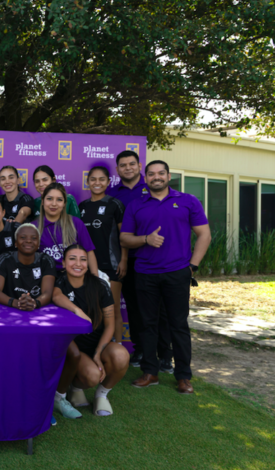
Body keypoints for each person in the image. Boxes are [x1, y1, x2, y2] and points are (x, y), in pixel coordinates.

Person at [121, 160, 211, 394]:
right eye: (151, 174)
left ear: (169, 176)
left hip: (177, 273)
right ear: (146, 177)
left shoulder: (188, 201)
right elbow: (125, 239)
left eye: (161, 173)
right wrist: (145, 239)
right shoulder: (135, 205)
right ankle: (150, 372)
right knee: (148, 325)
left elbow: (204, 234)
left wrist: (193, 266)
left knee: (178, 325)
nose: (156, 177)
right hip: (145, 274)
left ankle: (183, 376)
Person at [108, 150, 171, 369]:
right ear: (117, 170)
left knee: (160, 309)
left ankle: (165, 354)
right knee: (134, 308)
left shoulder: (153, 189)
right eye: (123, 165)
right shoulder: (112, 194)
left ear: (139, 166)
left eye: (131, 164)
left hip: (154, 258)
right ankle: (140, 350)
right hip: (126, 260)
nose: (127, 168)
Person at [52, 245, 129, 417]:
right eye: (72, 259)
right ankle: (76, 387)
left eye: (83, 259)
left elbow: (110, 325)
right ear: (64, 263)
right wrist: (78, 311)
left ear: (88, 263)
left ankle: (102, 395)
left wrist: (98, 352)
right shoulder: (59, 282)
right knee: (92, 376)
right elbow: (56, 296)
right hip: (75, 349)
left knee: (121, 355)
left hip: (97, 342)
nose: (78, 263)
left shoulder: (100, 285)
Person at [79, 166, 127, 342]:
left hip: (111, 265)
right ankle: (95, 349)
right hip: (86, 267)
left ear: (108, 182)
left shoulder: (115, 205)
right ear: (87, 182)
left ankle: (118, 348)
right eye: (93, 179)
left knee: (112, 310)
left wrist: (124, 260)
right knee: (92, 308)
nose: (97, 183)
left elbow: (124, 237)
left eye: (101, 179)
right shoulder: (82, 206)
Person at [34, 183, 98, 274]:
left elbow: (89, 253)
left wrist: (96, 281)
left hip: (73, 277)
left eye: (59, 200)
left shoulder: (76, 223)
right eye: (49, 199)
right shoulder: (33, 227)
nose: (54, 204)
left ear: (64, 203)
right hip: (45, 278)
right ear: (43, 201)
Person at [0, 224, 56, 310]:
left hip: (36, 312)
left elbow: (47, 293)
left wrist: (34, 303)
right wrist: (16, 303)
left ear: (39, 244)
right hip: (8, 310)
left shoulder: (46, 261)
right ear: (16, 243)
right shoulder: (5, 259)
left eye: (34, 238)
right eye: (23, 237)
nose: (28, 241)